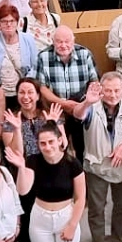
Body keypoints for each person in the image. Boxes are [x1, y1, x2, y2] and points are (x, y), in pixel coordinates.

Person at [72, 74, 122, 242]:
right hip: (97, 166)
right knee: (97, 208)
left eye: (117, 90)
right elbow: (78, 115)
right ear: (101, 90)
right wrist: (87, 102)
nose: (113, 95)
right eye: (108, 90)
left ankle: (119, 241)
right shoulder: (91, 105)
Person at [1, 77, 66, 242]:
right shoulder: (11, 119)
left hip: (50, 170)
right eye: (22, 92)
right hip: (24, 171)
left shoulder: (50, 114)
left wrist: (53, 124)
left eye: (30, 92)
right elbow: (15, 153)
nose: (26, 96)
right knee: (27, 213)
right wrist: (18, 129)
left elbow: (63, 145)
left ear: (38, 95)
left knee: (51, 211)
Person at [36, 26, 100, 162]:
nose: (63, 45)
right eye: (59, 42)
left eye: (67, 41)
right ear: (52, 41)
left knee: (83, 146)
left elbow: (94, 82)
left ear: (73, 41)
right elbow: (42, 87)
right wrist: (63, 104)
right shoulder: (43, 56)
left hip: (82, 103)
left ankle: (83, 175)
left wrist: (84, 104)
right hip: (56, 106)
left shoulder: (84, 53)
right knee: (60, 146)